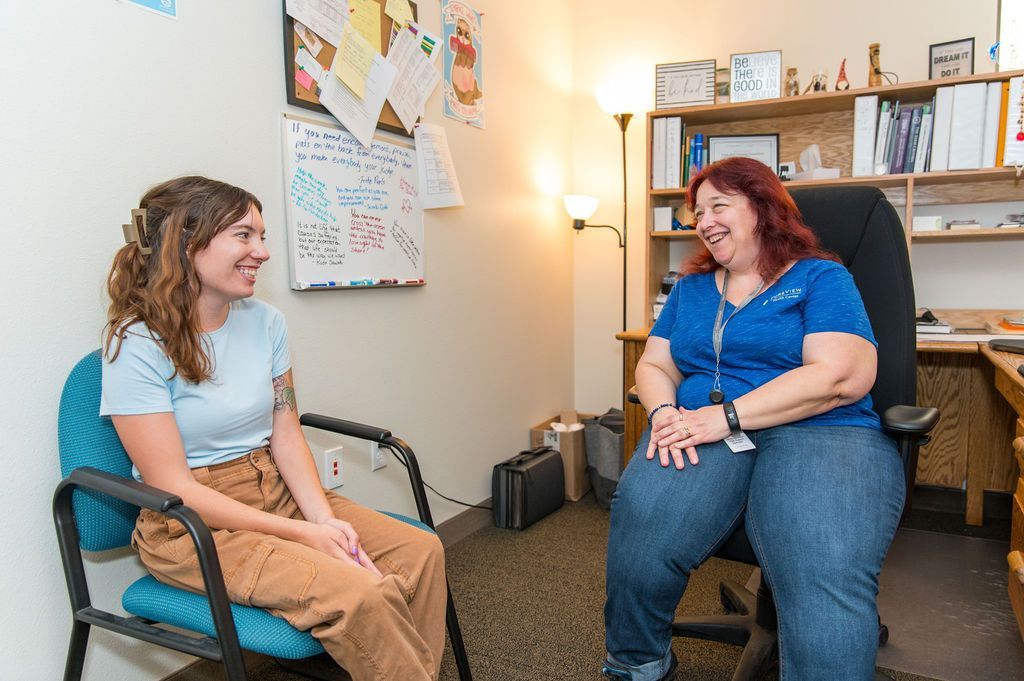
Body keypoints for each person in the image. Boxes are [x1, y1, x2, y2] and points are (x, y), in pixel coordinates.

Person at [100, 176, 447, 681]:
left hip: (273, 487)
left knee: (420, 551)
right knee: (360, 592)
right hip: (191, 522)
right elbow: (172, 485)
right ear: (185, 242)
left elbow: (284, 430)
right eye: (244, 235)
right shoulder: (136, 344)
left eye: (261, 237)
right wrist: (302, 533)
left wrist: (320, 520)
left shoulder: (266, 322)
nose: (261, 252)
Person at [602, 157, 904, 681]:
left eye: (720, 205)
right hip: (699, 424)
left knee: (819, 564)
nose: (705, 221)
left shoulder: (821, 277)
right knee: (642, 527)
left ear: (763, 208)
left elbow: (840, 375)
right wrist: (664, 411)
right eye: (698, 212)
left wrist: (729, 416)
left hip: (820, 430)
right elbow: (652, 363)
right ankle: (637, 662)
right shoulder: (692, 288)